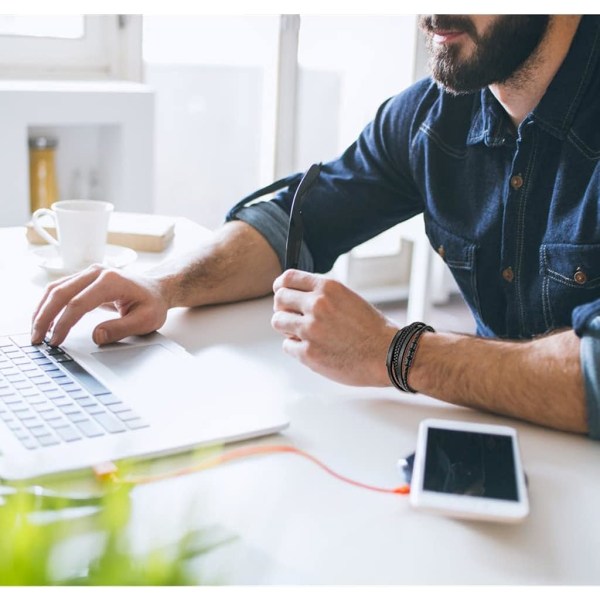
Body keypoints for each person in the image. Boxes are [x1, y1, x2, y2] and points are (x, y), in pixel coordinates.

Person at [31, 15, 600, 439]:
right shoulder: (428, 116)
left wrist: (396, 353)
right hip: (509, 453)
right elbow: (291, 222)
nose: (430, 16)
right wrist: (165, 285)